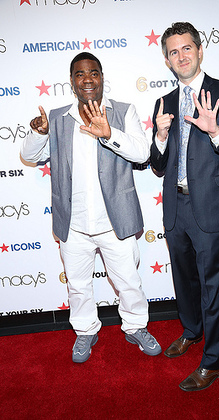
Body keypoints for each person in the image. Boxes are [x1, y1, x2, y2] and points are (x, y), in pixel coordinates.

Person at [21, 52, 161, 363]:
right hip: (73, 224)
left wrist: (109, 133)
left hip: (116, 221)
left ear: (101, 78)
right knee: (78, 285)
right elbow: (30, 157)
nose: (87, 79)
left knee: (129, 282)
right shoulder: (56, 118)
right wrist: (38, 133)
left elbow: (141, 154)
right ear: (72, 81)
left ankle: (136, 326)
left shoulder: (123, 111)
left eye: (94, 73)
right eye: (80, 74)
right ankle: (85, 330)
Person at [150, 22, 219, 391]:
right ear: (166, 59)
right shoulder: (162, 103)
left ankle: (214, 361)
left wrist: (215, 132)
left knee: (212, 286)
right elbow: (157, 165)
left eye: (187, 48)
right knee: (183, 280)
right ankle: (191, 331)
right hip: (175, 209)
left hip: (210, 207)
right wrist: (160, 137)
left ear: (199, 50)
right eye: (173, 51)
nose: (181, 56)